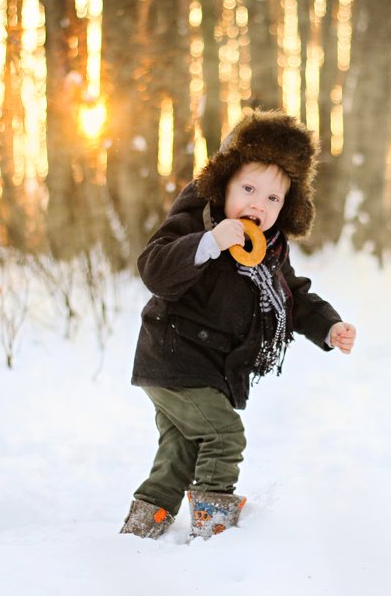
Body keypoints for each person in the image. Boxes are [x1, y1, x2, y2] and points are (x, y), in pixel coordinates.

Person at [120, 110, 357, 540]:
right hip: (171, 356)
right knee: (224, 436)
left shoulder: (268, 249)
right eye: (248, 189)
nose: (258, 205)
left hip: (207, 370)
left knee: (180, 449)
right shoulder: (199, 220)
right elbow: (154, 268)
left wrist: (328, 327)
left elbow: (294, 295)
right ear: (223, 183)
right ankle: (214, 534)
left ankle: (142, 529)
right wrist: (209, 243)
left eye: (273, 199)